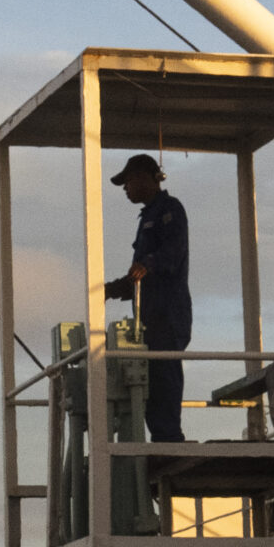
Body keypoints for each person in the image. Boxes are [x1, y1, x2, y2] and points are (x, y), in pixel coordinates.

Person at [104, 153, 191, 444]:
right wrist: (112, 289)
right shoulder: (148, 218)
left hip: (168, 313)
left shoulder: (170, 210)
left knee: (164, 375)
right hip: (149, 317)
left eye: (128, 182)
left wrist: (148, 264)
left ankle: (170, 440)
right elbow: (138, 279)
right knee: (150, 379)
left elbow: (172, 253)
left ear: (145, 177)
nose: (126, 188)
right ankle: (162, 439)